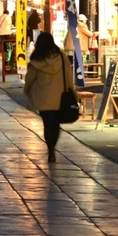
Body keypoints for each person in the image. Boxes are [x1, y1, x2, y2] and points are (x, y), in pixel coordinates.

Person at [23, 33, 72, 164]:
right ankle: (52, 148)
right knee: (56, 124)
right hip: (59, 96)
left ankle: (50, 150)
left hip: (42, 97)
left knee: (47, 123)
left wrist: (27, 92)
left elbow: (29, 80)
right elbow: (68, 76)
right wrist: (72, 91)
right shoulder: (61, 58)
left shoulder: (36, 60)